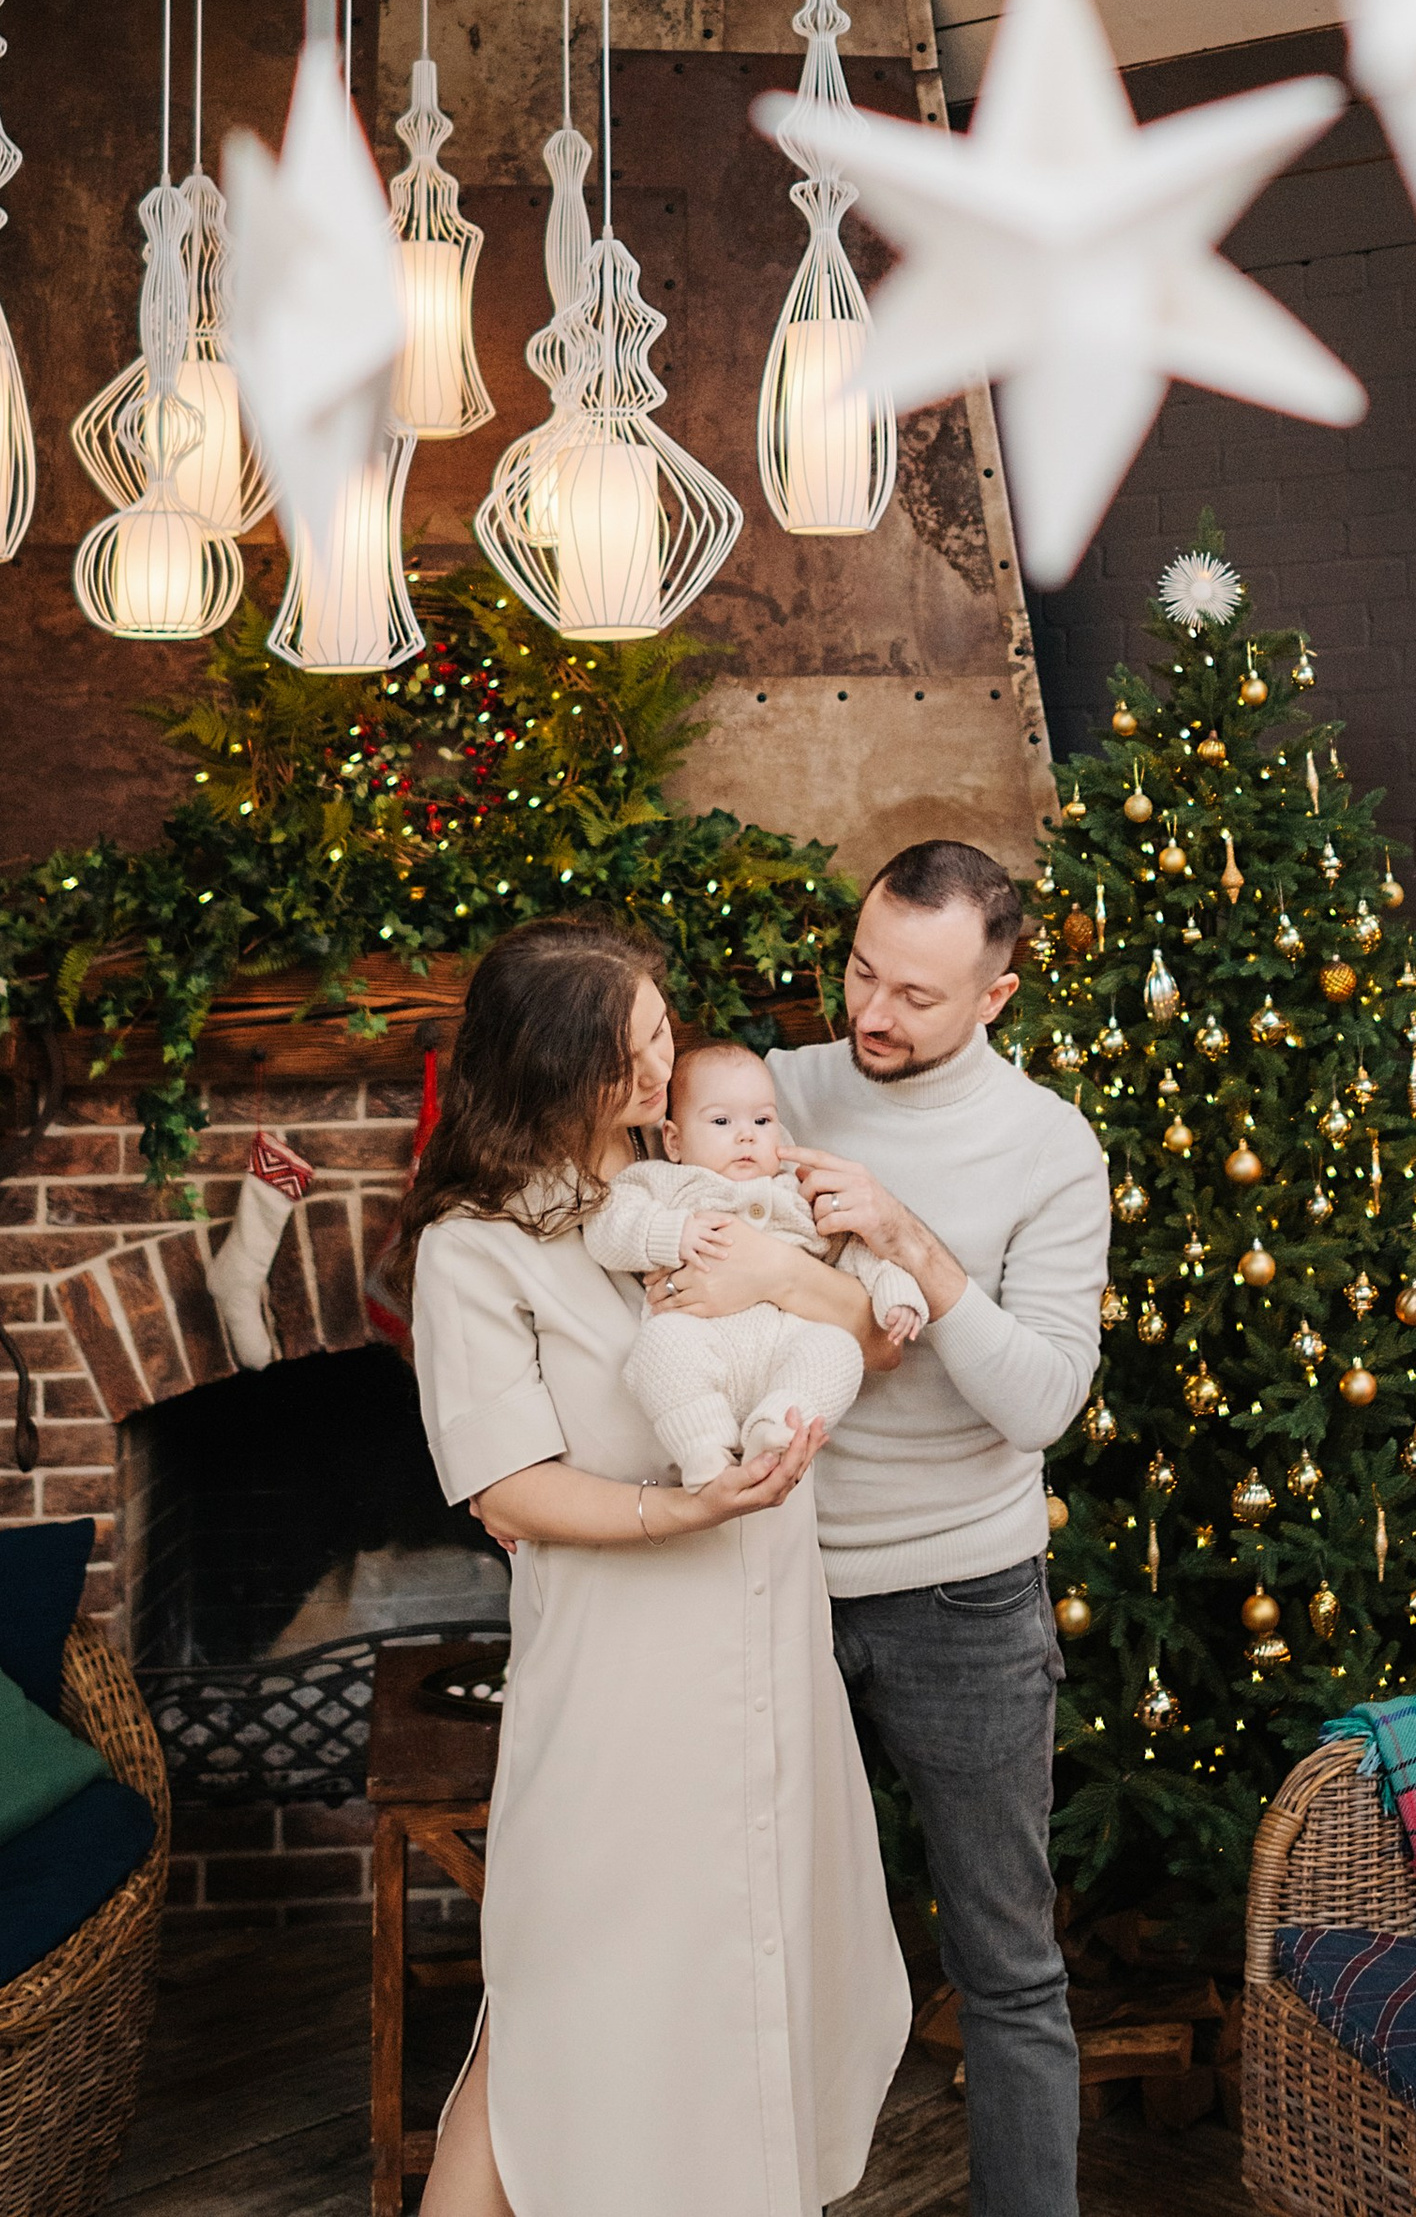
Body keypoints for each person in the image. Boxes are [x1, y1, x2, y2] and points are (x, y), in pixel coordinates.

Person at [401, 913, 909, 2217]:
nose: (665, 1056)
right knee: (555, 2023)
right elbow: (507, 1482)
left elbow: (866, 1332)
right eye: (640, 1041)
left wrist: (798, 1280)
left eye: (662, 1027)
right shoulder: (478, 1248)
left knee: (747, 2006)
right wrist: (676, 1513)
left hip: (772, 1674)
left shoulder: (708, 1195)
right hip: (623, 1692)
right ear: (567, 1066)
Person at [652, 839, 1112, 2217]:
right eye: (862, 970)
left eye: (915, 992)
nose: (871, 1013)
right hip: (763, 1580)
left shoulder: (1048, 1147)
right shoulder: (764, 1099)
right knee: (750, 1956)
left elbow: (1038, 1402)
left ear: (997, 996)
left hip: (963, 1598)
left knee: (1007, 1964)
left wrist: (913, 1245)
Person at [583, 1038, 927, 1483]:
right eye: (722, 1121)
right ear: (674, 1140)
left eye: (762, 1120)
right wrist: (671, 1233)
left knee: (838, 1351)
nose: (746, 1135)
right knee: (662, 1346)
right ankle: (704, 1450)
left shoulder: (800, 1195)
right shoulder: (664, 1184)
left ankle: (777, 1428)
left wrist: (896, 1293)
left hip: (786, 1346)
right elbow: (607, 1227)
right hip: (698, 1336)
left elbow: (859, 1251)